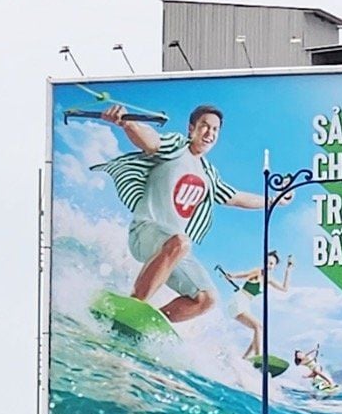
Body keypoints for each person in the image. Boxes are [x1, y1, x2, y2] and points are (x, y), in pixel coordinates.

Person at [94, 103, 280, 341]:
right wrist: (127, 123)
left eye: (215, 130)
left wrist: (273, 200)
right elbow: (151, 142)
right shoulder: (177, 147)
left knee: (207, 299)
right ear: (191, 128)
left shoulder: (209, 174)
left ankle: (146, 324)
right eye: (204, 126)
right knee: (181, 242)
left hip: (174, 249)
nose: (209, 133)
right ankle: (133, 305)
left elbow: (236, 197)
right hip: (146, 231)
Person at [216, 254, 292, 359]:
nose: (268, 265)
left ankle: (245, 358)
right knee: (258, 327)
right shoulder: (257, 271)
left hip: (245, 303)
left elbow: (284, 288)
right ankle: (258, 357)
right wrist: (232, 276)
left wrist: (288, 270)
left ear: (274, 266)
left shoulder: (269, 279)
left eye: (271, 263)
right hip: (238, 301)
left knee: (260, 329)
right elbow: (244, 274)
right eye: (266, 262)